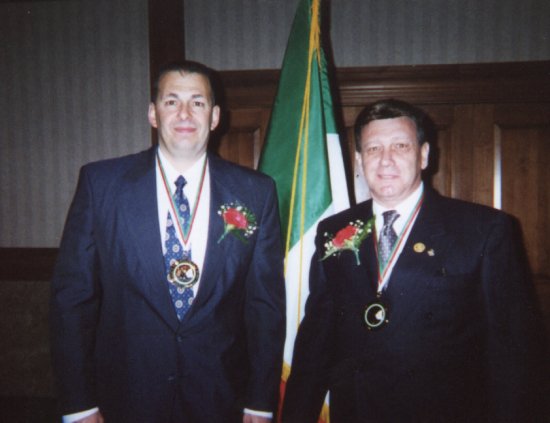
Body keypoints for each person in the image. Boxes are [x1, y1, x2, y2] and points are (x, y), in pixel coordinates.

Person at [281, 99, 546, 422]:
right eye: (374, 148)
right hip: (357, 411)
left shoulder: (483, 230)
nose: (386, 160)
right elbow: (316, 339)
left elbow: (513, 351)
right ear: (359, 160)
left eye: (400, 146)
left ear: (424, 155)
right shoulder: (333, 230)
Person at [50, 61, 286, 423]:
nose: (185, 113)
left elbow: (265, 306)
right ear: (153, 113)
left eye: (198, 102)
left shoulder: (256, 192)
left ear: (215, 116)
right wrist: (78, 403)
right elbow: (72, 300)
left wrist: (259, 400)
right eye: (172, 101)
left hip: (220, 397)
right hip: (125, 398)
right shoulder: (101, 184)